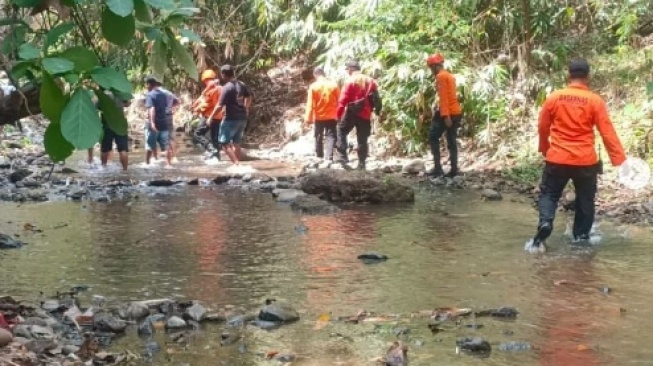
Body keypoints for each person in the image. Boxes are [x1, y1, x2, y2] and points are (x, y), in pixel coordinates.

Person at [526, 59, 626, 252]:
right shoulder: (594, 101)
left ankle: (546, 223)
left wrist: (544, 148)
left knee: (549, 193)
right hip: (585, 161)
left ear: (568, 75)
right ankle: (580, 239)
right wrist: (619, 160)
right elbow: (607, 131)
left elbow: (542, 126)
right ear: (588, 77)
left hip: (558, 157)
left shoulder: (554, 97)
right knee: (585, 199)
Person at [335, 60, 381, 170]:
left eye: (348, 70)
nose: (347, 72)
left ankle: (342, 157)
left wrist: (338, 115)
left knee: (341, 131)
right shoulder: (371, 81)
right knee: (362, 139)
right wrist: (377, 111)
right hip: (366, 114)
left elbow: (343, 100)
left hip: (352, 112)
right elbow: (377, 98)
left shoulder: (350, 81)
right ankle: (362, 163)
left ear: (351, 69)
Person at [426, 53, 463, 177]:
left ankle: (438, 168)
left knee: (433, 136)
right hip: (456, 111)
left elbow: (444, 98)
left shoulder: (441, 76)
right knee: (452, 140)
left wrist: (446, 116)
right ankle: (454, 169)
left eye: (431, 67)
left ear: (435, 66)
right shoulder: (449, 75)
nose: (431, 70)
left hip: (448, 112)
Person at [215, 65, 252, 165]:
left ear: (223, 74)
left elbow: (219, 105)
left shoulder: (227, 87)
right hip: (242, 117)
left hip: (230, 118)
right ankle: (238, 166)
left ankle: (236, 164)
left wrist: (210, 117)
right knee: (236, 142)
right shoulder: (241, 84)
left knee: (224, 143)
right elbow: (248, 97)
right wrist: (246, 107)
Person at [304, 67, 340, 162]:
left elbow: (310, 104)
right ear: (324, 74)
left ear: (315, 75)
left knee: (318, 135)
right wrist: (340, 114)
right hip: (332, 116)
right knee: (331, 136)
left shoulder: (313, 86)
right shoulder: (333, 85)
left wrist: (308, 119)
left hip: (319, 116)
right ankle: (329, 157)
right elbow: (339, 100)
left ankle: (319, 156)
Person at [192, 69, 223, 160]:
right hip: (218, 117)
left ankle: (210, 148)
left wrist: (200, 108)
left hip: (210, 116)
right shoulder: (217, 89)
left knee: (197, 134)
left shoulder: (213, 90)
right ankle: (216, 157)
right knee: (214, 138)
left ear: (205, 80)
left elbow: (213, 104)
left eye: (205, 81)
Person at [98, 90, 132, 171]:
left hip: (107, 124)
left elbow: (97, 107)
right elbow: (128, 103)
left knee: (105, 149)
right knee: (123, 149)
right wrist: (121, 104)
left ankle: (103, 169)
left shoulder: (103, 94)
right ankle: (125, 170)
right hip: (120, 124)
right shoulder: (121, 93)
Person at [144, 76, 173, 167]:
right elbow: (165, 107)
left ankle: (147, 165)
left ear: (149, 84)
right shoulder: (163, 95)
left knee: (149, 146)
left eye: (146, 85)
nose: (146, 87)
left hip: (154, 124)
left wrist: (152, 123)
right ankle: (169, 165)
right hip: (164, 124)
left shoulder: (150, 95)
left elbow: (152, 109)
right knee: (166, 146)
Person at [159, 87, 181, 161]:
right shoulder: (168, 92)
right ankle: (172, 156)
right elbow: (177, 101)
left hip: (161, 116)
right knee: (169, 136)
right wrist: (171, 108)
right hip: (169, 115)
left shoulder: (157, 93)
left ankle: (168, 156)